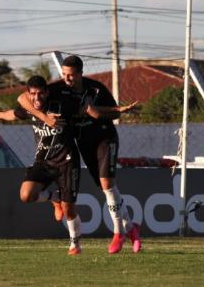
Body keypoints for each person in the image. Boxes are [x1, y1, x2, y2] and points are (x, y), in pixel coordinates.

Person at [17, 55, 140, 254]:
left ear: (81, 74)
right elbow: (23, 98)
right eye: (64, 74)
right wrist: (43, 117)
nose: (67, 79)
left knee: (107, 184)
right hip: (83, 142)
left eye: (71, 75)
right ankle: (132, 228)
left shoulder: (96, 88)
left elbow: (114, 112)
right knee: (103, 186)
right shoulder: (59, 89)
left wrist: (99, 113)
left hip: (103, 138)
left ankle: (119, 233)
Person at [0, 76, 83, 255]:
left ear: (46, 93)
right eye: (33, 94)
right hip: (44, 161)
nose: (36, 98)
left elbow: (83, 109)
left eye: (40, 94)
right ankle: (53, 198)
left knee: (69, 208)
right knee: (26, 195)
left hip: (67, 161)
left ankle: (75, 243)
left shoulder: (60, 105)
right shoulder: (30, 108)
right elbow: (14, 113)